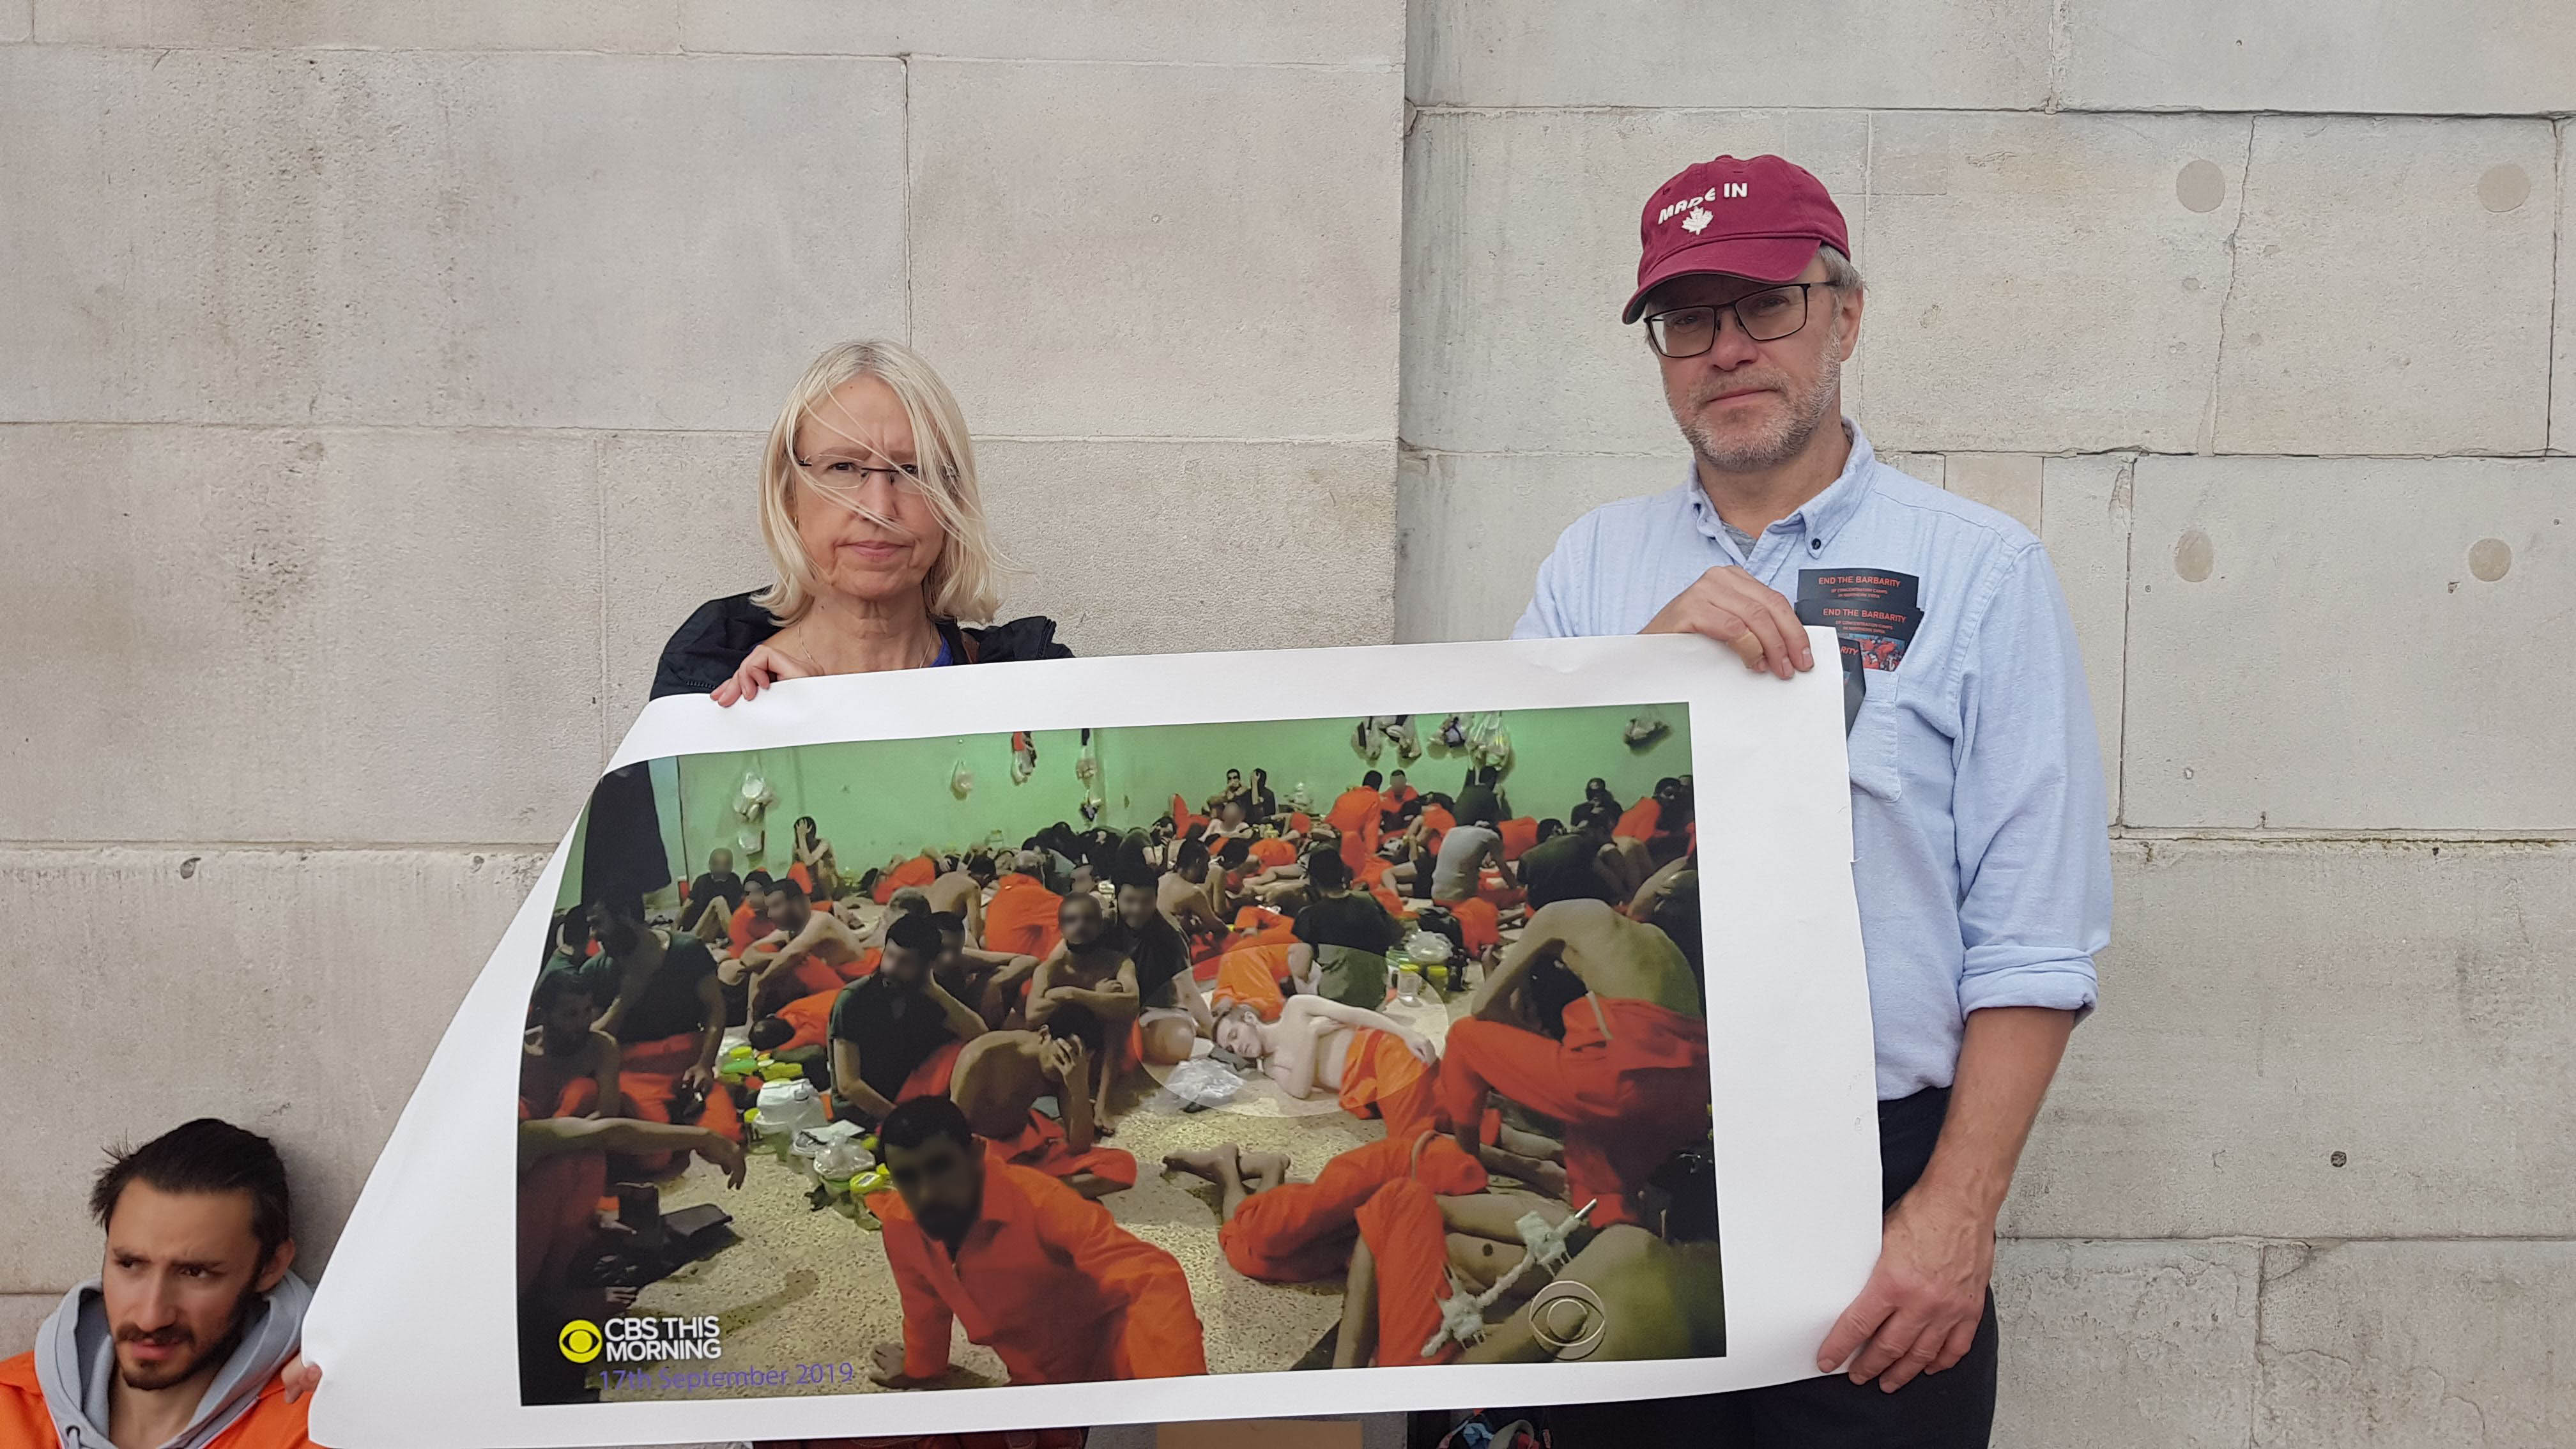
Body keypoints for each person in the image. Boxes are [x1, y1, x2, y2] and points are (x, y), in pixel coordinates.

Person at [1510, 153, 2110, 1443]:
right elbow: (1533, 865)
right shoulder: (1593, 566)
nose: (1726, 349)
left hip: (1880, 1191)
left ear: (1845, 314)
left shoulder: (1982, 575)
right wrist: (1644, 677)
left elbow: (2035, 941)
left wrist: (1955, 1220)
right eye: (1687, 320)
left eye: (1765, 306)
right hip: (1635, 1150)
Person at [652, 339, 1071, 706]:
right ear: (788, 494)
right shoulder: (708, 692)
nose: (878, 507)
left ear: (953, 501)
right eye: (843, 467)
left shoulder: (1032, 687)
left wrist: (831, 726)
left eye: (912, 470)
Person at [1, 1119, 318, 1448]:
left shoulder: (319, 1427)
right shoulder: (10, 1405)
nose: (151, 1317)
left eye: (196, 1273)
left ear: (271, 1267)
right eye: (130, 1264)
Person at [864, 1098, 1206, 1387]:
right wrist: (919, 1369)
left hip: (1121, 1355)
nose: (926, 1194)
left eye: (941, 1168)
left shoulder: (1038, 1200)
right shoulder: (901, 1226)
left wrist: (1177, 1402)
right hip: (1037, 1381)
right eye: (907, 1177)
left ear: (975, 1154)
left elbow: (1152, 1276)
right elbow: (924, 1307)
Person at [1437, 900, 1708, 1230]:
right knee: (1598, 1180)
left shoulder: (1558, 915)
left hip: (1619, 1080)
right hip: (1691, 1091)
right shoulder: (1658, 941)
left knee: (1465, 1037)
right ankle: (1616, 1228)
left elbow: (1483, 1007)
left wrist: (1527, 1037)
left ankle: (1465, 1170)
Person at [1162, 1130, 1488, 1286]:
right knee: (1263, 1238)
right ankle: (1235, 1169)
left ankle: (1246, 1168)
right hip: (1393, 1177)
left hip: (1395, 1210)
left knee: (1258, 1254)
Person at [949, 1001, 1135, 1199]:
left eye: (1079, 1059)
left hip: (1026, 1150)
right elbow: (952, 1134)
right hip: (981, 1153)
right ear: (1045, 1035)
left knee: (1122, 1166)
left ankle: (1028, 1190)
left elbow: (1079, 1146)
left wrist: (1078, 1086)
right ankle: (1027, 1189)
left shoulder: (1069, 1068)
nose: (1065, 1064)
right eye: (1064, 1054)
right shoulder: (984, 1056)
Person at [589, 897, 735, 1140]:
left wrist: (705, 1063)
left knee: (726, 1134)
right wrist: (624, 1000)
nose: (594, 935)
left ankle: (688, 1107)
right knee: (653, 1154)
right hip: (635, 1070)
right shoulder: (596, 969)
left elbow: (715, 1008)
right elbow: (593, 1040)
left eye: (598, 923)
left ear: (625, 914)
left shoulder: (688, 950)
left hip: (690, 1061)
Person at [827, 912, 988, 1125]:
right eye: (890, 956)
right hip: (860, 1108)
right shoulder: (854, 999)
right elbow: (849, 1085)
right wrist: (902, 1120)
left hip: (905, 1094)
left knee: (963, 1052)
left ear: (926, 966)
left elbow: (980, 1038)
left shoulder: (924, 996)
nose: (892, 968)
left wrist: (936, 992)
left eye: (905, 962)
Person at [1211, 995, 1442, 1137]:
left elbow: (1356, 1015)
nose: (1237, 1046)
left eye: (1234, 1035)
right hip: (1364, 1088)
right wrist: (1312, 1035)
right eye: (1230, 1048)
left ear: (1250, 1020)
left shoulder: (1297, 1008)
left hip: (1383, 1052)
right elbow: (1300, 1090)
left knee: (1411, 1138)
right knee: (1439, 1120)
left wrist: (1406, 1033)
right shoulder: (1271, 1065)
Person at [1023, 895, 1138, 1130]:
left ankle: (1103, 1105)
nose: (1080, 926)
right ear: (1062, 927)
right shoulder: (1051, 968)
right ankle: (1072, 1096)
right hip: (1064, 1052)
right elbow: (1033, 1015)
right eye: (1072, 920)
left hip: (1106, 1054)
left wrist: (1071, 994)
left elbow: (1131, 1004)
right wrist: (1095, 995)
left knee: (1118, 1021)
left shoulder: (1118, 962)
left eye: (1088, 919)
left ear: (1100, 924)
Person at [1108, 863, 1208, 1063]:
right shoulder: (1103, 926)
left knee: (1176, 1045)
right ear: (1115, 899)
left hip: (1157, 1009)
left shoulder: (1169, 935)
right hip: (1112, 1006)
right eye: (1129, 901)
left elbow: (1188, 992)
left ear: (1156, 898)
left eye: (1146, 901)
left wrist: (1214, 1030)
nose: (1137, 909)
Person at [1287, 849, 1402, 1008]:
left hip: (1336, 1004)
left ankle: (1313, 1009)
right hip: (1377, 997)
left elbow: (1301, 971)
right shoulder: (1368, 900)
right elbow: (1396, 934)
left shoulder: (1310, 915)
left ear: (1312, 880)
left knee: (1296, 952)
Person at [522, 972, 620, 1119]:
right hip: (527, 1134)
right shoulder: (521, 1050)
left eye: (587, 1010)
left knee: (584, 1091)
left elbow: (607, 1112)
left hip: (582, 1135)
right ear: (543, 1016)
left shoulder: (601, 1047)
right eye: (571, 1014)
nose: (583, 1022)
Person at [1516, 801, 1636, 911]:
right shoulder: (1578, 842)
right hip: (1580, 903)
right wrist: (1625, 896)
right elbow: (1604, 873)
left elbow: (1524, 892)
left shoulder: (1526, 856)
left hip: (1544, 908)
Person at [982, 851, 1066, 962]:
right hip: (1027, 971)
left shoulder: (1001, 895)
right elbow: (1075, 911)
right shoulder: (1035, 895)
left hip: (999, 965)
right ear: (1038, 869)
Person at [678, 847, 746, 934]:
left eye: (726, 865)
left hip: (718, 930)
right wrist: (673, 933)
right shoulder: (702, 881)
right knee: (719, 902)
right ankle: (738, 939)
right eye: (716, 864)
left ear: (731, 866)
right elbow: (686, 906)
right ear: (710, 865)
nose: (721, 868)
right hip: (700, 929)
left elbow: (742, 904)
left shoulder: (734, 880)